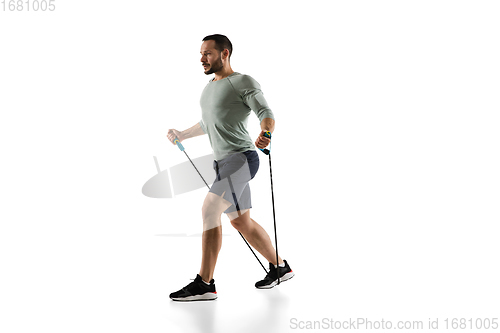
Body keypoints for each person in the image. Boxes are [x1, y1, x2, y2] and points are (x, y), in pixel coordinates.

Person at [167, 34, 294, 301]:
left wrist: (266, 134)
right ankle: (280, 267)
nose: (202, 58)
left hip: (241, 159)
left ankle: (205, 283)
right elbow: (208, 123)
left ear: (225, 53)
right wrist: (182, 133)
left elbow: (265, 113)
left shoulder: (243, 82)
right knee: (240, 222)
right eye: (201, 54)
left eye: (208, 53)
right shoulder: (209, 87)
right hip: (222, 163)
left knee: (209, 209)